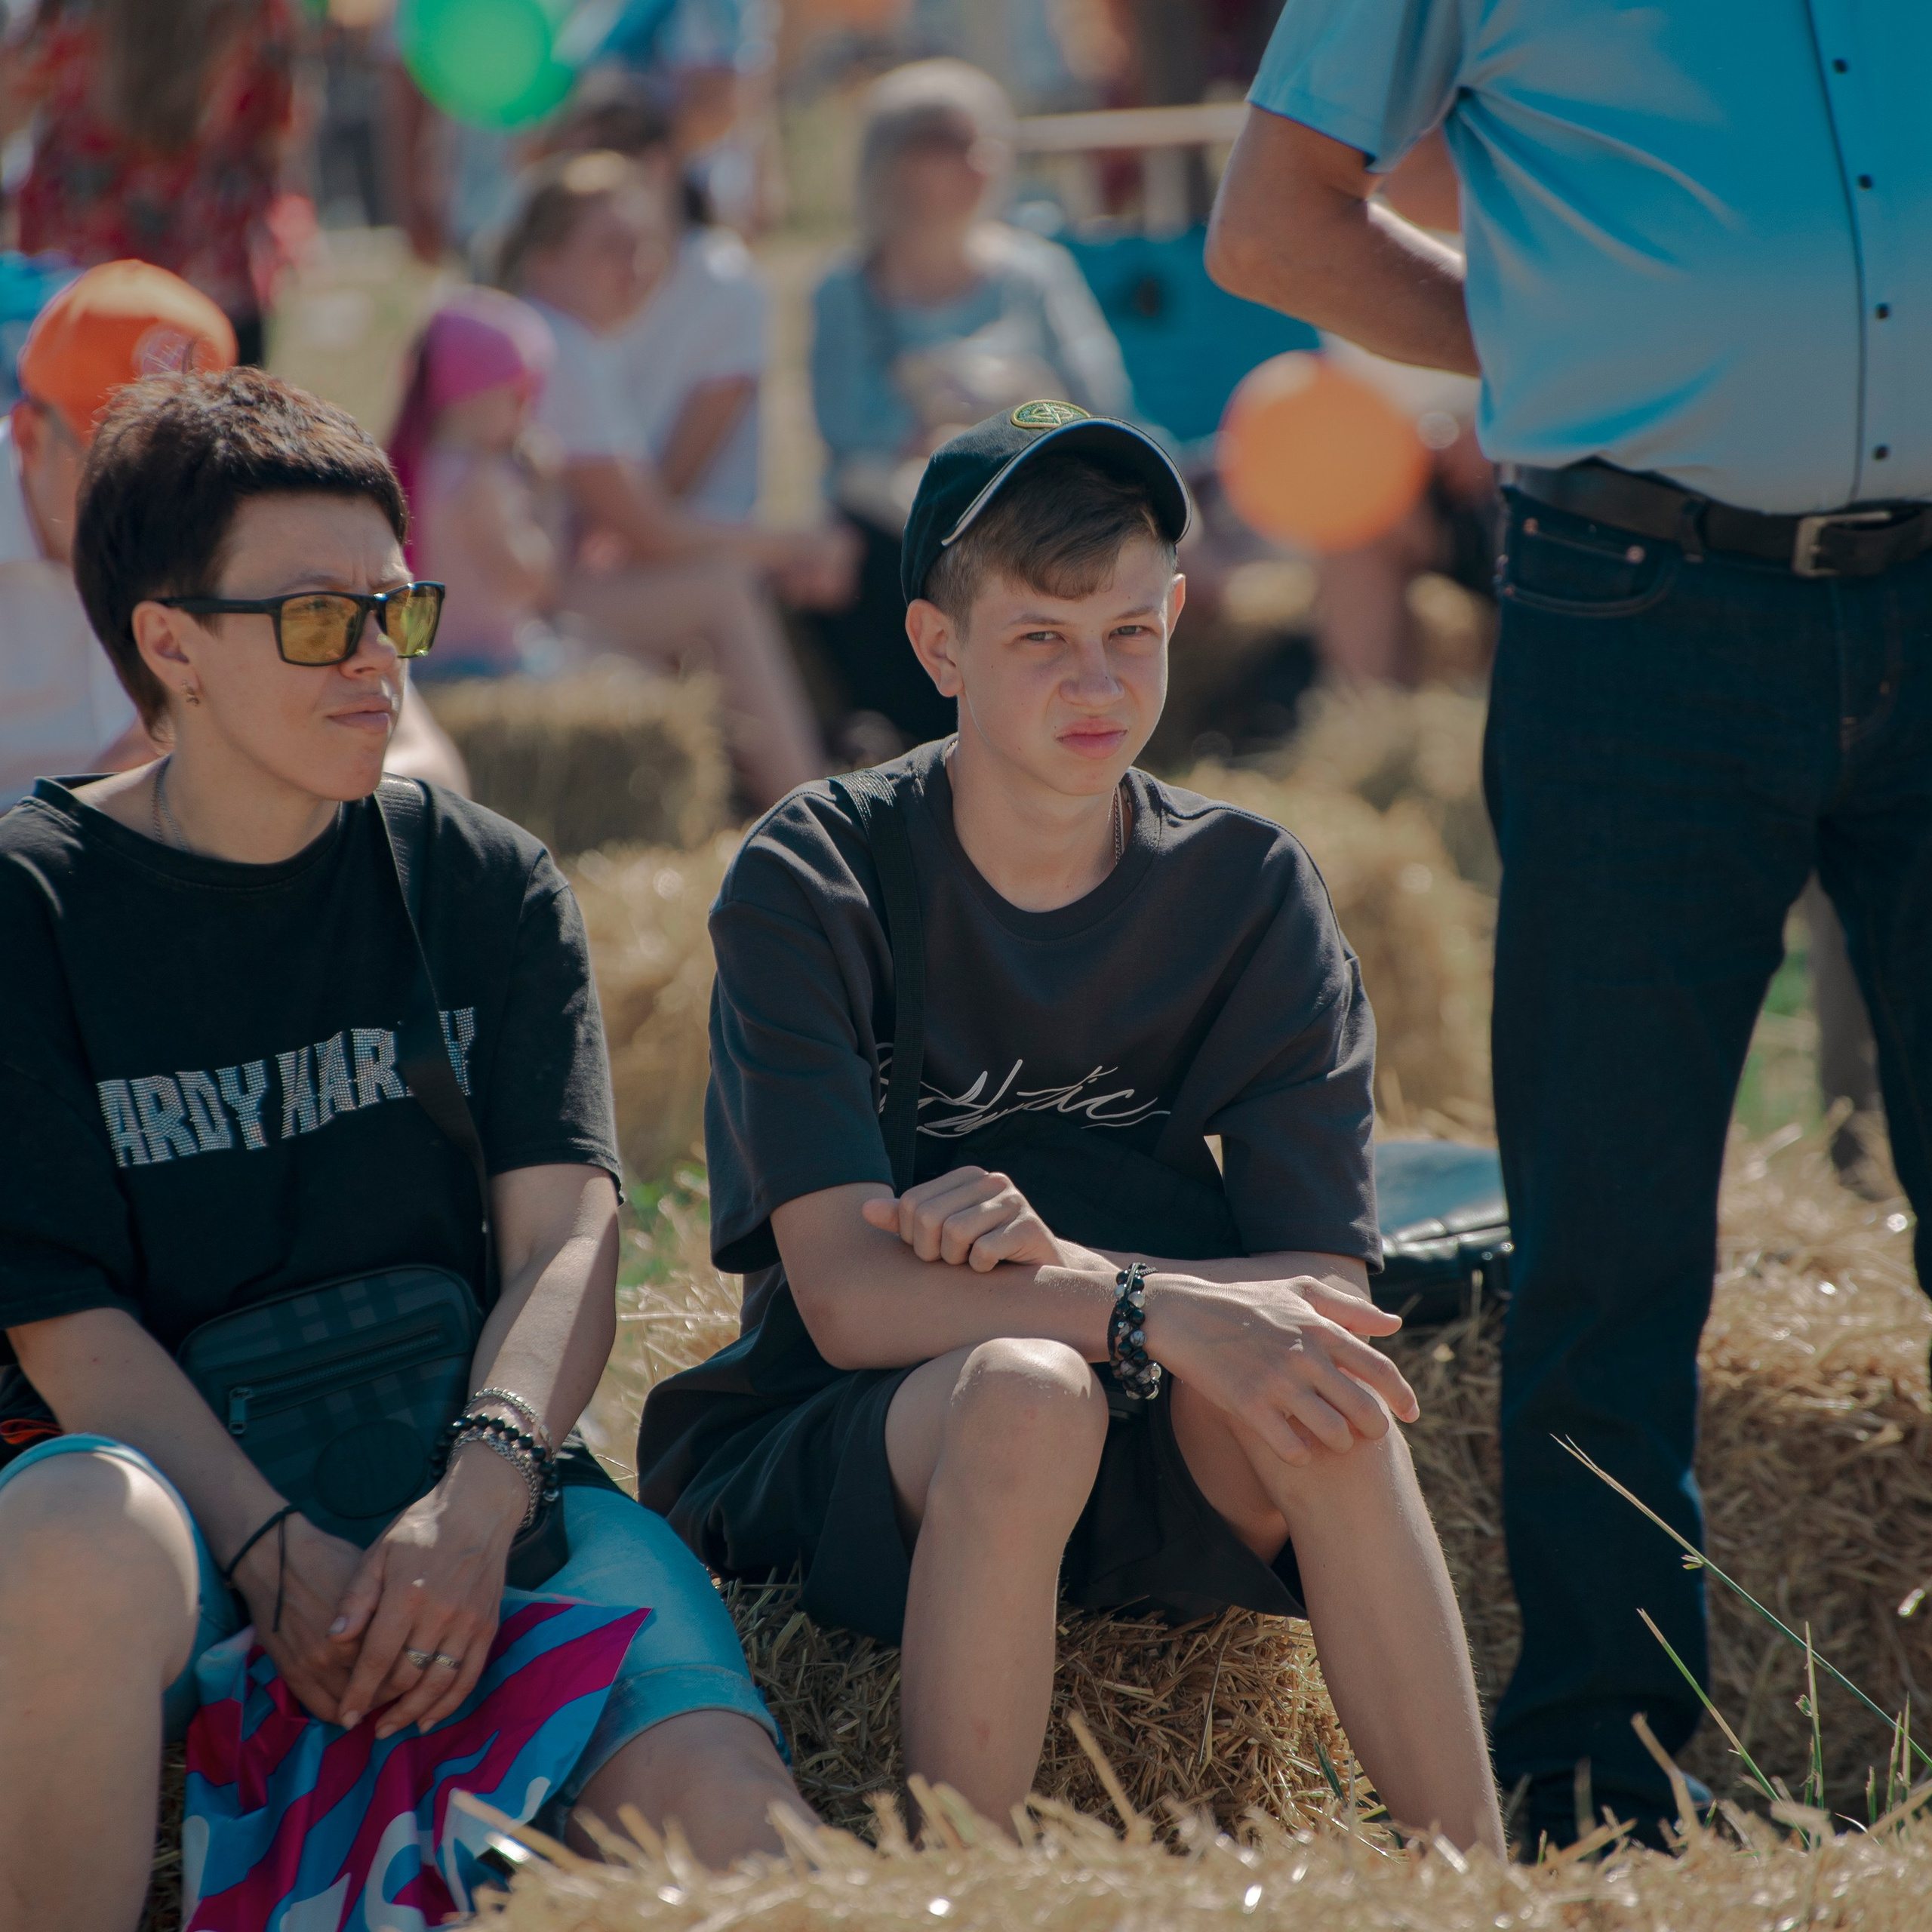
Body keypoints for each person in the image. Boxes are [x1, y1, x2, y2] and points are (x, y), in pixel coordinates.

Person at [1208, 0, 1932, 1850]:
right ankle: (1605, 1790)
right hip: (1634, 618)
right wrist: (1547, 337)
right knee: (1608, 1242)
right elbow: (1272, 224)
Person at [0, 366, 813, 1927]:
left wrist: (484, 1491)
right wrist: (262, 1541)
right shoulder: (31, 909)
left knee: (748, 1837)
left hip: (479, 1479)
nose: (380, 663)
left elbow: (571, 1226)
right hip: (168, 1511)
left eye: (398, 609)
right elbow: (62, 1315)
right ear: (170, 643)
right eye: (319, 621)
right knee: (75, 1525)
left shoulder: (483, 877)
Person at [635, 403, 1504, 1856]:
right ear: (939, 651)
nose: (1096, 683)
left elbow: (1330, 1295)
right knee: (1031, 1392)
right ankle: (961, 1888)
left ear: (1177, 613)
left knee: (1325, 1401)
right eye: (1040, 638)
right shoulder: (819, 872)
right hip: (865, 1440)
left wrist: (1106, 1290)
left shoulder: (1247, 889)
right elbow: (848, 1303)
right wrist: (1135, 1303)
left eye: (1129, 632)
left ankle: (1478, 1882)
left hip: (1157, 1420)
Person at [0, 259, 467, 804]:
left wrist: (281, 792)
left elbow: (430, 769)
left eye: (186, 472)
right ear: (30, 437)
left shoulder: (255, 528)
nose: (155, 498)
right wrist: (95, 816)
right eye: (109, 463)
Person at [497, 148, 848, 807]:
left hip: (523, 594)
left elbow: (627, 531)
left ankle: (773, 797)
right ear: (545, 261)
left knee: (711, 586)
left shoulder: (545, 337)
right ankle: (812, 817)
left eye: (645, 246)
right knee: (720, 591)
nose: (637, 268)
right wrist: (799, 544)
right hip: (516, 613)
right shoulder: (560, 349)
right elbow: (651, 532)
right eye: (610, 247)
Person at [807, 60, 1134, 749]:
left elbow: (1100, 403)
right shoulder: (847, 291)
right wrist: (932, 416)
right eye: (947, 143)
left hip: (1032, 489)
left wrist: (1007, 401)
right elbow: (845, 429)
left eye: (983, 140)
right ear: (894, 162)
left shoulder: (1036, 272)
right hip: (900, 514)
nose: (978, 161)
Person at [0, 0, 299, 365]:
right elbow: (276, 131)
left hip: (88, 292)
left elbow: (14, 95)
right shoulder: (255, 16)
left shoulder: (70, 15)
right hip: (209, 288)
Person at [387, 288, 561, 680]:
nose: (528, 412)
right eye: (522, 394)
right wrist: (550, 499)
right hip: (486, 665)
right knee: (620, 660)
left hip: (427, 661)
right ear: (482, 395)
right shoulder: (482, 481)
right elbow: (533, 583)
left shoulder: (414, 464)